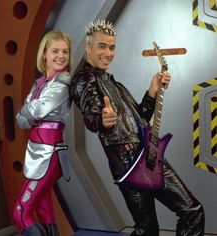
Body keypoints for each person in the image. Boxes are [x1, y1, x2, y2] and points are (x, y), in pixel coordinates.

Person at [70, 20, 205, 236]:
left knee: (149, 228)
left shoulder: (112, 82)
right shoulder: (84, 80)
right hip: (128, 162)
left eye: (112, 47)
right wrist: (101, 119)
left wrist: (152, 90)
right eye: (102, 46)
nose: (108, 52)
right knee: (188, 213)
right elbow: (92, 115)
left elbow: (141, 117)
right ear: (88, 48)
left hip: (146, 154)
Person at [13, 30, 72, 236]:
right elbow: (20, 121)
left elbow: (34, 111)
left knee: (21, 212)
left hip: (49, 154)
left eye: (65, 51)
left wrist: (26, 110)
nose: (61, 56)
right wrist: (28, 112)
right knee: (44, 211)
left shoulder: (62, 84)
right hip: (37, 153)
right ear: (44, 54)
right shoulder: (40, 83)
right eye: (55, 50)